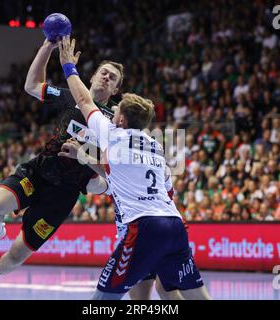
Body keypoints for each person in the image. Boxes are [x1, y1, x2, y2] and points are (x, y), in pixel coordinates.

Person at [0, 38, 122, 295]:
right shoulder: (71, 97)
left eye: (112, 78)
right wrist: (48, 45)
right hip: (38, 173)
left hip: (64, 194)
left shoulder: (115, 122)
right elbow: (32, 86)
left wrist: (96, 176)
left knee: (17, 254)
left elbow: (116, 168)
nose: (106, 78)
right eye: (103, 72)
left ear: (115, 91)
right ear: (90, 77)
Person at [58, 36, 211, 300]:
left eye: (116, 112)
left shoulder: (113, 134)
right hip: (174, 224)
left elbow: (84, 101)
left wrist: (68, 66)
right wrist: (83, 155)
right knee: (196, 296)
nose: (112, 114)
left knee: (102, 301)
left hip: (143, 226)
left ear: (122, 119)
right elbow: (159, 185)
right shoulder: (155, 146)